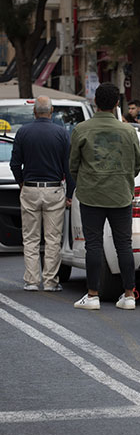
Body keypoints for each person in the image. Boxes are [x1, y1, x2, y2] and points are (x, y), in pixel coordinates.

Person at [70, 82, 140, 310]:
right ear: (116, 104)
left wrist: (85, 180)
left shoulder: (82, 129)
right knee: (124, 245)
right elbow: (137, 165)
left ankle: (92, 295)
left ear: (95, 102)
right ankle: (129, 295)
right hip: (120, 193)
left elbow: (73, 165)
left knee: (94, 244)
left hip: (91, 194)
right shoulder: (129, 130)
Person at [9, 96, 73, 292]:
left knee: (30, 238)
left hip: (30, 188)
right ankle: (51, 281)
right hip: (54, 189)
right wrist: (69, 193)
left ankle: (32, 280)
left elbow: (14, 164)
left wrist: (21, 183)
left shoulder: (23, 132)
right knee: (53, 238)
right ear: (51, 111)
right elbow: (68, 168)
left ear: (34, 112)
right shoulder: (62, 133)